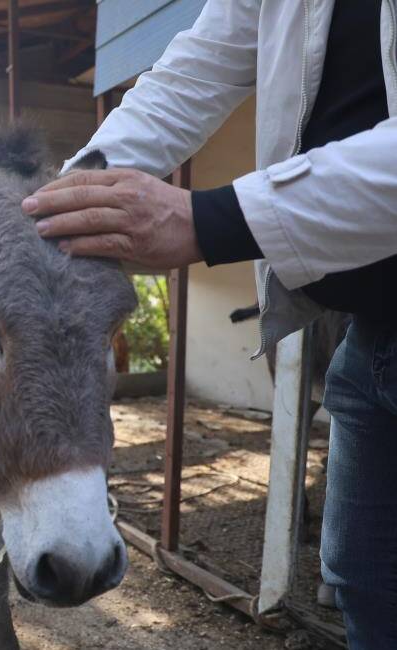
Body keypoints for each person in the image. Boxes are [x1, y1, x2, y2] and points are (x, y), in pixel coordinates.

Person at [22, 2, 397, 647]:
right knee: (364, 580)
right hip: (371, 339)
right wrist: (55, 210)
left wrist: (208, 220)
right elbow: (189, 77)